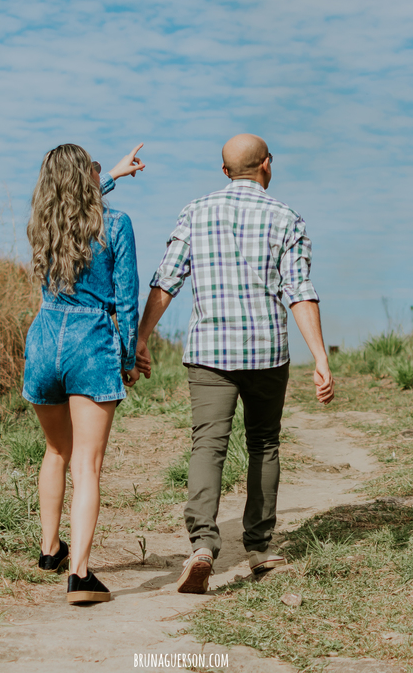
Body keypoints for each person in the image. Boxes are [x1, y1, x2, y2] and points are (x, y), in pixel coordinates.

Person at [135, 133, 334, 595]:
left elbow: (167, 280)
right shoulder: (287, 218)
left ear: (225, 171)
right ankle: (260, 550)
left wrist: (142, 337)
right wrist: (320, 357)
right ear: (268, 164)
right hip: (266, 352)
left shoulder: (195, 211)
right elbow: (299, 290)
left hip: (209, 353)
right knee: (264, 444)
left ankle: (203, 546)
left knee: (208, 446)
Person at [23, 142, 145, 604]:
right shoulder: (116, 225)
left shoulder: (41, 226)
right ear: (86, 179)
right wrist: (130, 358)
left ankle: (50, 549)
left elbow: (72, 205)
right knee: (87, 465)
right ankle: (80, 575)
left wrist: (109, 174)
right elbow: (127, 299)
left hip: (44, 342)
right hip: (90, 345)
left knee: (56, 451)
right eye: (93, 169)